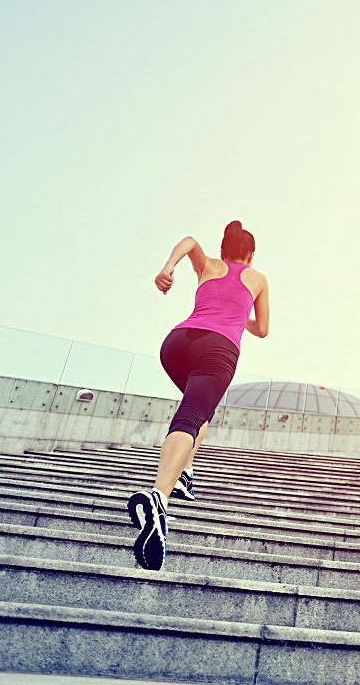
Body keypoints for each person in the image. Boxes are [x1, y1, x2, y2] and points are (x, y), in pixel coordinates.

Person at [127, 221, 270, 571]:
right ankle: (159, 497)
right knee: (192, 415)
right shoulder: (257, 279)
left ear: (223, 251)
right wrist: (240, 315)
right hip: (217, 349)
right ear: (251, 254)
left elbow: (190, 240)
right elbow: (263, 330)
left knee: (199, 414)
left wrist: (167, 268)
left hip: (177, 343)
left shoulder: (208, 266)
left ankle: (186, 472)